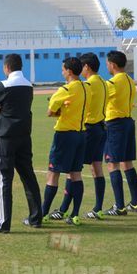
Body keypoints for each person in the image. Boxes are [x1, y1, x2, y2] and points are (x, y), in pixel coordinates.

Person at [0, 54, 43, 233]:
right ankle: (36, 218)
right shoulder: (28, 85)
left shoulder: (3, 85)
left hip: (5, 136)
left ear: (6, 67)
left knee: (4, 179)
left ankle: (3, 222)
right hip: (24, 136)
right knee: (28, 176)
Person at [50, 53, 108, 221]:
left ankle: (64, 210)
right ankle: (98, 208)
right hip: (101, 127)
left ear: (86, 67)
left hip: (87, 128)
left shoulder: (87, 85)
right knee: (96, 168)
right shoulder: (103, 82)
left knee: (73, 171)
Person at [40, 57, 88, 226]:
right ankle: (75, 215)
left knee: (53, 174)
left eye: (63, 69)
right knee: (76, 174)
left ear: (69, 71)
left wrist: (60, 111)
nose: (62, 72)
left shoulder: (65, 89)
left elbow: (50, 111)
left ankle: (42, 214)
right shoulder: (86, 87)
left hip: (65, 135)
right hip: (81, 134)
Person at [102, 50, 137, 215]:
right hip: (128, 122)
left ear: (113, 64)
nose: (107, 66)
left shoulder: (112, 83)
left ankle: (119, 206)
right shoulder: (130, 80)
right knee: (127, 162)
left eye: (107, 63)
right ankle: (135, 203)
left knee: (113, 163)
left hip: (115, 124)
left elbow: (100, 99)